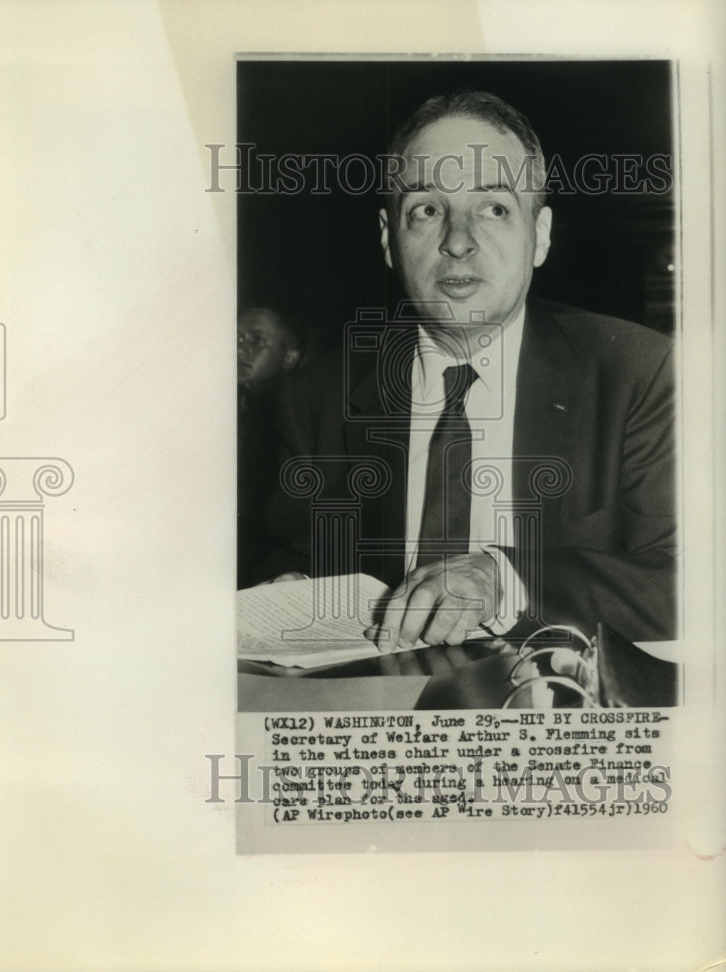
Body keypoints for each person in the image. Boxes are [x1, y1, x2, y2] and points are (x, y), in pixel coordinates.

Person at [258, 90, 676, 651]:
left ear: (541, 235)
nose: (458, 242)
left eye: (494, 208)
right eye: (427, 210)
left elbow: (689, 583)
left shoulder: (639, 373)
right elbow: (295, 555)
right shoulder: (315, 398)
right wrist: (289, 591)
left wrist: (504, 579)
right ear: (389, 239)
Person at [237, 306, 304, 588]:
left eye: (256, 340)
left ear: (290, 356)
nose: (240, 350)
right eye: (237, 339)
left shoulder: (297, 421)